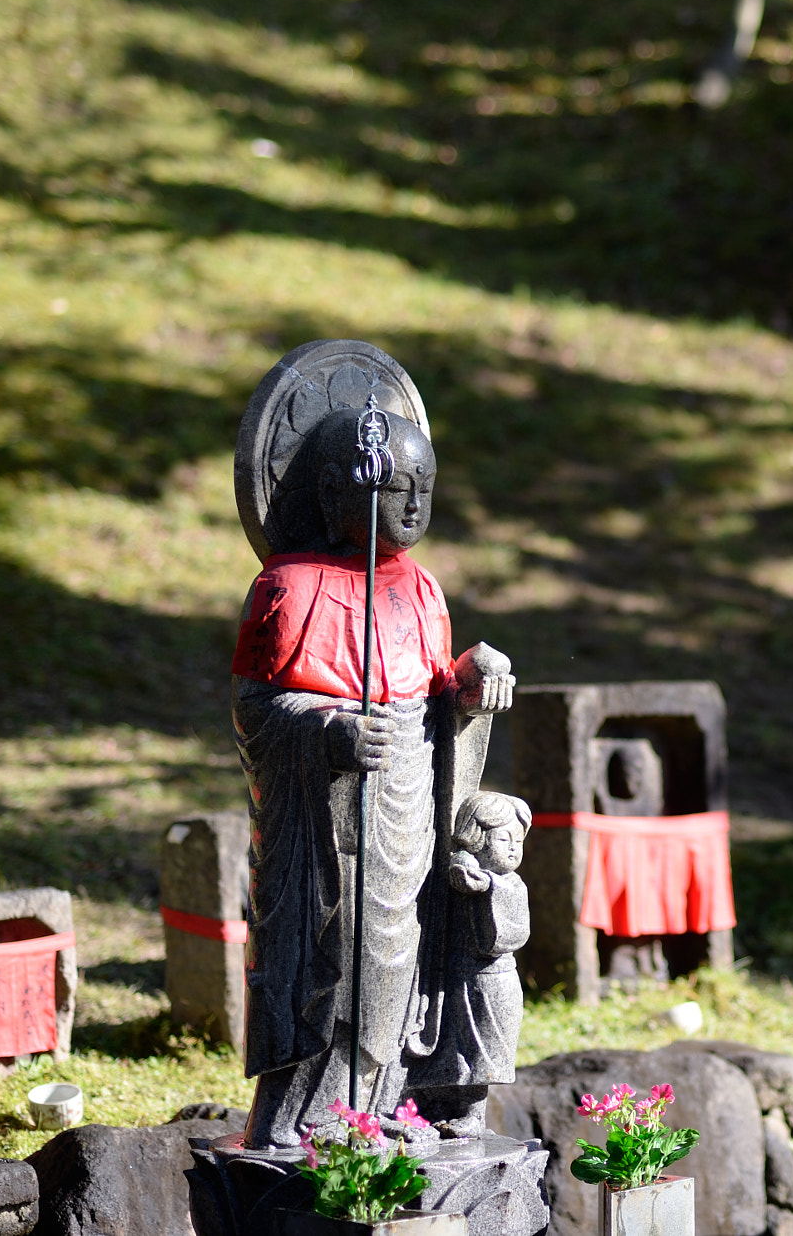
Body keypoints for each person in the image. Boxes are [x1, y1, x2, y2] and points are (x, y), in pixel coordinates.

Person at [231, 404, 514, 1149]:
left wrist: (473, 682)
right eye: (396, 486)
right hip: (328, 823)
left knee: (402, 955)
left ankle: (383, 1098)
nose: (416, 504)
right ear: (332, 490)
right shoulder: (288, 587)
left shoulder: (421, 589)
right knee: (337, 956)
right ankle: (301, 1115)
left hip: (408, 804)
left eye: (426, 485)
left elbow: (431, 693)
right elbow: (256, 708)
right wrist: (328, 728)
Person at [412, 791, 533, 1136]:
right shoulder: (460, 872)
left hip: (494, 982)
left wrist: (487, 887)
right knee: (453, 1044)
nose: (513, 848)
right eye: (503, 838)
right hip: (454, 978)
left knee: (484, 1052)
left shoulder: (511, 885)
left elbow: (510, 935)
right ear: (477, 838)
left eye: (518, 841)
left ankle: (473, 1114)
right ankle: (436, 1102)